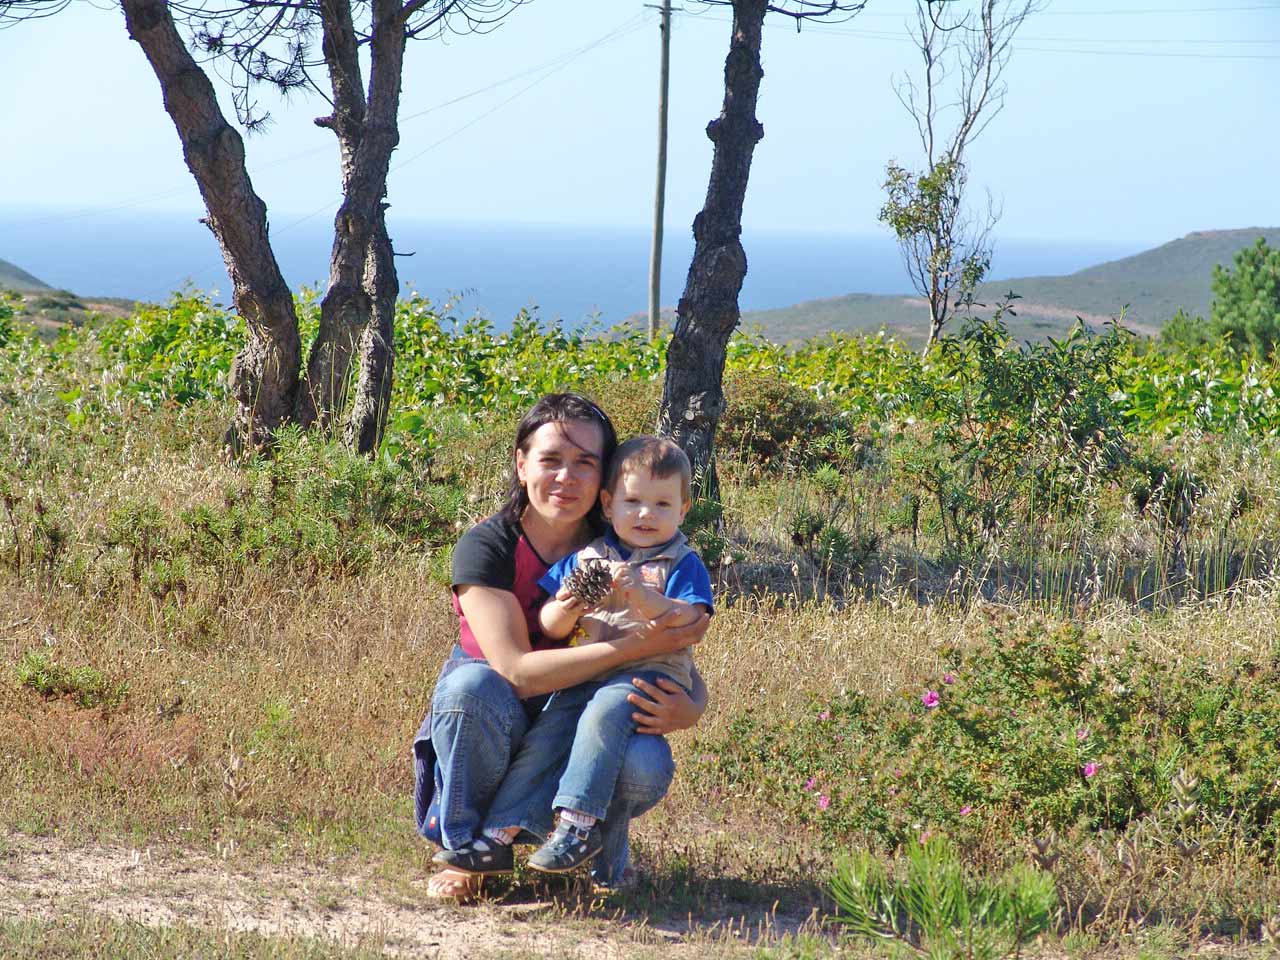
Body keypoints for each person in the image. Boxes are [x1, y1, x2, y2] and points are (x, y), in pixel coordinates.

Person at [412, 394, 710, 900]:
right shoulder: (490, 546)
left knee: (643, 761)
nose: (566, 477)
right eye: (550, 459)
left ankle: (599, 852)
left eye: (585, 463)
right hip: (501, 711)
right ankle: (467, 849)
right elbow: (517, 671)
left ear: (604, 481)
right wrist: (628, 645)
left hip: (585, 703)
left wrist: (693, 704)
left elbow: (677, 637)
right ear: (522, 464)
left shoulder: (626, 541)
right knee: (468, 687)